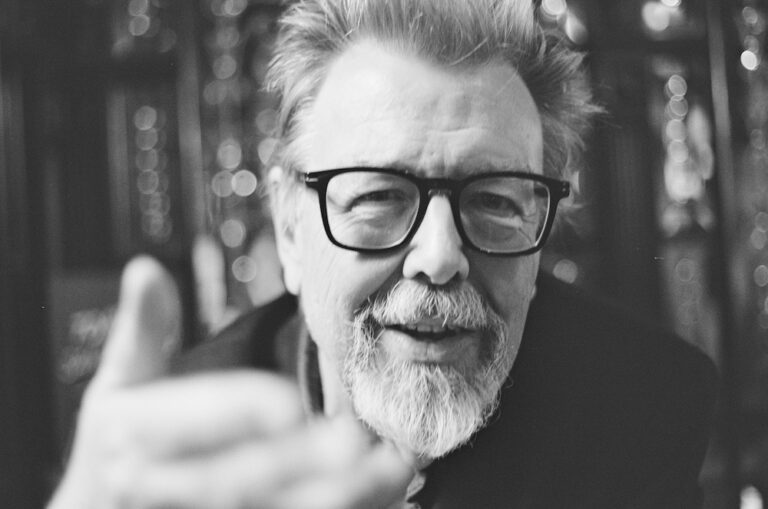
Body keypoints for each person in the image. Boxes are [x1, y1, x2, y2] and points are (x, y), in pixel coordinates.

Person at [49, 0, 717, 507]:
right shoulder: (180, 465)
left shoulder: (642, 407)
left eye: (494, 201)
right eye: (378, 196)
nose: (440, 256)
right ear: (290, 231)